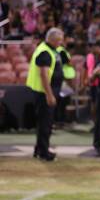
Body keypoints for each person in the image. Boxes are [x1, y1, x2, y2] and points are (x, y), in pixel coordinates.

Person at [26, 28, 65, 161]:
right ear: (52, 39)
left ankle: (39, 149)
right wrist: (49, 95)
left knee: (45, 122)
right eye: (59, 40)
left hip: (46, 91)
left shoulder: (48, 49)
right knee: (45, 123)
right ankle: (44, 152)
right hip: (44, 93)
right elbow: (43, 75)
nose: (61, 42)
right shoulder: (45, 52)